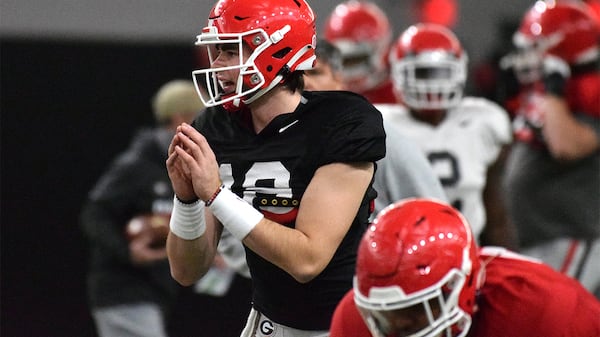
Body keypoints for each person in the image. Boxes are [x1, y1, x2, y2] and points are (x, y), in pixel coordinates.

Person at [165, 0, 386, 336]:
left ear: (277, 51)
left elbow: (307, 260)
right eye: (217, 50)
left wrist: (215, 194)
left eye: (231, 50)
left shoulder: (342, 123)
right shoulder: (216, 127)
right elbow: (186, 270)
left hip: (344, 324)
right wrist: (187, 202)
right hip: (268, 322)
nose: (218, 65)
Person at [329, 198, 600, 337]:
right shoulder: (356, 320)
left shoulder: (548, 312)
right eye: (387, 313)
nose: (398, 325)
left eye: (415, 309)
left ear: (463, 287)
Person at [79, 80, 204, 337]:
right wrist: (128, 252)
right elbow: (94, 214)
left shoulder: (179, 166)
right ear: (181, 118)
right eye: (199, 118)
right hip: (123, 290)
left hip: (154, 291)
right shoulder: (135, 165)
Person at [375, 23, 516, 248]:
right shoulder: (380, 123)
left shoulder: (484, 121)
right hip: (400, 251)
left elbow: (496, 213)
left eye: (441, 72)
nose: (432, 84)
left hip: (468, 250)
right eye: (422, 73)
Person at [500, 0, 600, 297]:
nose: (528, 57)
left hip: (573, 237)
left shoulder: (588, 95)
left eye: (536, 48)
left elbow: (565, 146)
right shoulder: (549, 95)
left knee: (558, 318)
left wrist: (553, 86)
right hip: (539, 240)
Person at [305, 39, 447, 214]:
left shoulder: (377, 134)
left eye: (315, 73)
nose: (304, 83)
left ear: (339, 79)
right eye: (296, 75)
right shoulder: (273, 135)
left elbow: (434, 213)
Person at [323, 0, 397, 104]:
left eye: (356, 59)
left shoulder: (398, 94)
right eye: (343, 61)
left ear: (382, 49)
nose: (349, 72)